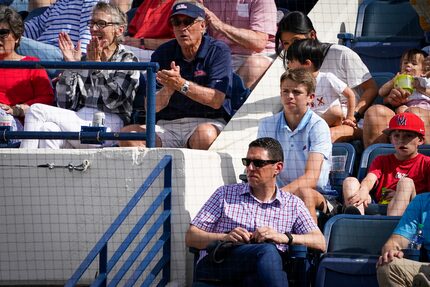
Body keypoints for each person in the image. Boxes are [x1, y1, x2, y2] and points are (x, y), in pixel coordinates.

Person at [186, 137, 326, 286]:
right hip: (223, 264)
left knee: (264, 261)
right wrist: (225, 237)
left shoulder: (292, 204)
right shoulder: (224, 194)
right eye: (247, 162)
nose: (250, 168)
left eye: (258, 163)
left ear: (277, 168)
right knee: (267, 251)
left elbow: (320, 242)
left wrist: (283, 237)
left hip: (261, 274)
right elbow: (191, 237)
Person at [20, 2, 139, 149]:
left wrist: (96, 67)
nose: (94, 29)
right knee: (48, 129)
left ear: (119, 30)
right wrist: (71, 66)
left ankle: (24, 167)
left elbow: (113, 101)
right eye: (92, 23)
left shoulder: (128, 59)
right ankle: (43, 171)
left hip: (110, 124)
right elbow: (65, 104)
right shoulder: (84, 59)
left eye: (101, 24)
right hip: (80, 119)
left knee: (36, 110)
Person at [119, 0, 232, 150]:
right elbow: (151, 107)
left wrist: (182, 85)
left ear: (203, 26)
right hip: (167, 126)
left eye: (188, 22)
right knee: (128, 135)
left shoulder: (218, 51)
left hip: (206, 121)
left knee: (205, 135)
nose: (182, 28)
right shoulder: (163, 53)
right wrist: (169, 89)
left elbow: (216, 100)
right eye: (176, 22)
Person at [276, 11, 378, 142]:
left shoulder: (341, 54)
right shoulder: (293, 65)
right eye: (286, 43)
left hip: (348, 121)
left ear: (312, 35)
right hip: (314, 120)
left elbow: (371, 88)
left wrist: (353, 115)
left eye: (296, 40)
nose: (291, 47)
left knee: (322, 137)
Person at [257, 68, 334, 223]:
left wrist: (276, 196)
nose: (289, 96)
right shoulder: (266, 124)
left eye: (296, 92)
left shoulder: (318, 126)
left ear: (310, 98)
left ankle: (311, 245)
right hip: (276, 193)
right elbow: (262, 167)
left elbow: (311, 179)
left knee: (305, 193)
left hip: (318, 194)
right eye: (285, 91)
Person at [343, 112, 430, 216]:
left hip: (413, 210)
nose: (401, 140)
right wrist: (364, 190)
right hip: (380, 203)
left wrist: (400, 196)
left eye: (408, 136)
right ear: (391, 140)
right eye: (396, 136)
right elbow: (370, 179)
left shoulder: (427, 163)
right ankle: (355, 221)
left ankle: (392, 228)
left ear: (420, 140)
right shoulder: (381, 160)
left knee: (405, 183)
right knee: (350, 181)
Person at [286, 38, 357, 142]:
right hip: (310, 120)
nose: (288, 65)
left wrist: (350, 117)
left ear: (307, 63)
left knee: (335, 112)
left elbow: (350, 94)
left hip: (331, 119)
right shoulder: (297, 84)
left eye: (291, 61)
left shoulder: (327, 77)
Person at [0, 5, 54, 131]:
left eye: (3, 34)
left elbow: (46, 99)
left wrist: (18, 109)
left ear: (17, 37)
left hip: (14, 124)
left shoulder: (32, 65)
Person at [202, 0, 278, 89]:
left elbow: (258, 42)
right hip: (220, 56)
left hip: (254, 56)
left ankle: (232, 100)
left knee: (255, 66)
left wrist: (220, 26)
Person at [364, 49, 430, 147]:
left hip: (424, 110)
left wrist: (420, 87)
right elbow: (381, 92)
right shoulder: (399, 81)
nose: (408, 65)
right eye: (406, 62)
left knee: (412, 113)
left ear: (423, 71)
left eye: (414, 63)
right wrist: (393, 81)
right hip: (404, 110)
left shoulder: (425, 81)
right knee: (403, 111)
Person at [376, 192, 430, 286]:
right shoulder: (422, 201)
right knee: (388, 265)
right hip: (426, 270)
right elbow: (396, 240)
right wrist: (391, 251)